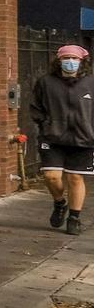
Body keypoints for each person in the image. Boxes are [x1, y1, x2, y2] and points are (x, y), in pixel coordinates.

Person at [31, 43, 94, 235]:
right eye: (66, 58)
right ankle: (60, 203)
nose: (70, 62)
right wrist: (45, 124)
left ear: (82, 62)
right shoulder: (46, 82)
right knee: (51, 176)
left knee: (75, 177)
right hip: (53, 137)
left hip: (83, 139)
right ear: (58, 61)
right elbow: (36, 106)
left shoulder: (91, 82)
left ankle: (74, 218)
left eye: (74, 59)